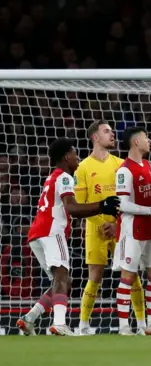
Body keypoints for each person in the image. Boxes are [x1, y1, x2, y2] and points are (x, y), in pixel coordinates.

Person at [17, 138, 120, 336]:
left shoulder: (51, 177)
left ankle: (29, 319)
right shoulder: (64, 177)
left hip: (37, 234)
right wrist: (101, 205)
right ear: (66, 157)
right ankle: (60, 324)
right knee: (62, 276)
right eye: (74, 154)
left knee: (64, 281)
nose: (77, 158)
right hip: (52, 231)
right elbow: (72, 208)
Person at [76, 120, 146, 335]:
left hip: (122, 228)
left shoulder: (120, 164)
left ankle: (141, 324)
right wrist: (103, 223)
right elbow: (81, 203)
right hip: (95, 228)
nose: (112, 134)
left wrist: (116, 224)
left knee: (131, 274)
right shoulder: (83, 167)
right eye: (107, 131)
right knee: (95, 276)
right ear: (95, 137)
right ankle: (83, 325)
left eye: (112, 131)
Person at [114, 127, 151, 335]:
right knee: (128, 275)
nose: (150, 140)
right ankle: (123, 327)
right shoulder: (124, 170)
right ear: (136, 142)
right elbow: (122, 204)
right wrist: (149, 209)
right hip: (132, 230)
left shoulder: (146, 165)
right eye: (147, 137)